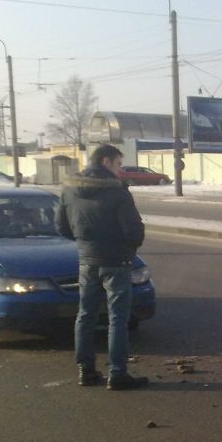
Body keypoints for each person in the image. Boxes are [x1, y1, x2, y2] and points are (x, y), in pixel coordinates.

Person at [56, 144, 149, 390]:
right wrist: (129, 250)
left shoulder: (69, 188)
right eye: (119, 164)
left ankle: (85, 371)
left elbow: (62, 227)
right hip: (117, 261)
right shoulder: (117, 191)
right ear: (106, 162)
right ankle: (117, 373)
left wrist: (86, 244)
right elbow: (134, 230)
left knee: (85, 315)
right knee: (117, 318)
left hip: (87, 261)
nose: (121, 170)